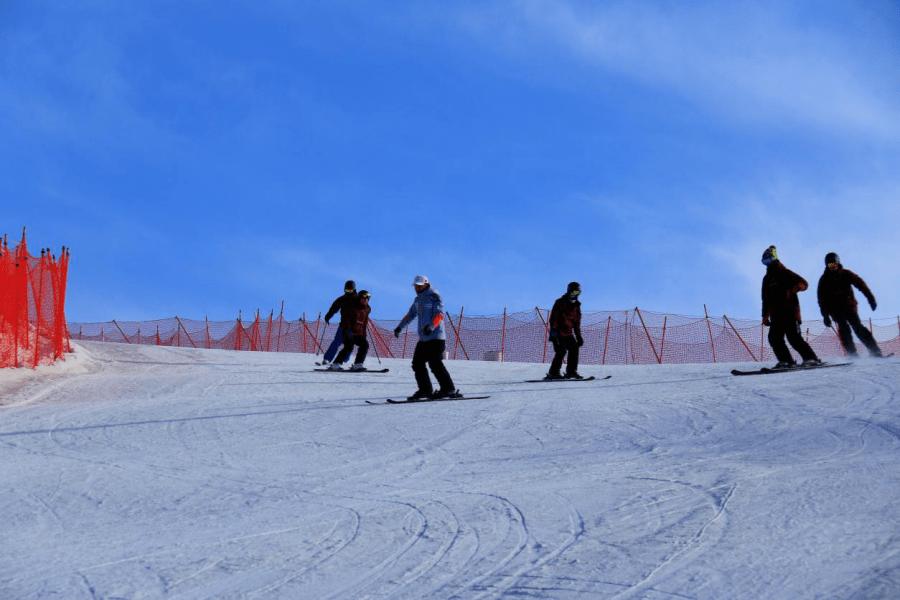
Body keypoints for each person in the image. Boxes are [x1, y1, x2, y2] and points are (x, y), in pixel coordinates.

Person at [393, 275, 459, 400]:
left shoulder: (434, 296)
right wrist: (399, 327)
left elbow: (440, 314)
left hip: (436, 337)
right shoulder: (417, 300)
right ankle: (425, 390)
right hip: (424, 339)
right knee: (417, 364)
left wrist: (431, 326)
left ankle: (448, 389)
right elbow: (410, 315)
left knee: (435, 363)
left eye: (419, 285)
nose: (417, 288)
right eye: (416, 286)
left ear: (426, 284)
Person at [760, 245, 821, 369]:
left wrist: (792, 290)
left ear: (774, 259)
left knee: (793, 337)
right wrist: (765, 316)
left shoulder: (785, 272)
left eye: (769, 260)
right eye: (764, 262)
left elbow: (804, 284)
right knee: (774, 338)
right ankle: (786, 361)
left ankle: (811, 359)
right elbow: (765, 299)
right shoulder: (766, 279)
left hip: (790, 312)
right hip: (776, 315)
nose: (767, 264)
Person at [816, 252, 883, 358]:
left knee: (858, 327)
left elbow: (861, 284)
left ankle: (875, 351)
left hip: (849, 306)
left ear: (838, 263)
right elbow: (821, 300)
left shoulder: (846, 274)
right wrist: (825, 316)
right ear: (827, 266)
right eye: (830, 265)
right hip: (835, 310)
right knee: (844, 329)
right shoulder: (824, 280)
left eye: (834, 264)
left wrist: (870, 298)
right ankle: (852, 354)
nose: (832, 267)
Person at [546, 281, 584, 379]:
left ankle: (571, 371)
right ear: (569, 292)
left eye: (577, 293)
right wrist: (554, 337)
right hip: (558, 332)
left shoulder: (576, 306)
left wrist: (578, 336)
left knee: (574, 348)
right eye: (574, 292)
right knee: (561, 350)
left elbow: (576, 323)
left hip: (568, 333)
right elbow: (553, 319)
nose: (575, 295)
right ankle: (553, 373)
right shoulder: (560, 302)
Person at [333, 290, 372, 370]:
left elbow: (364, 323)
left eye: (367, 298)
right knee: (349, 347)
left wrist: (364, 335)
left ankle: (358, 364)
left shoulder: (367, 309)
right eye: (363, 298)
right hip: (348, 331)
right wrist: (348, 330)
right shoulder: (353, 307)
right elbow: (346, 319)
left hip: (358, 333)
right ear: (359, 298)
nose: (365, 300)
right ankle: (336, 364)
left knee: (365, 344)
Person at [320, 280, 357, 367]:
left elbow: (364, 308)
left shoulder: (357, 299)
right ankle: (327, 359)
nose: (348, 292)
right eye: (347, 291)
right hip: (343, 326)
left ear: (354, 289)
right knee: (336, 342)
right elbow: (334, 308)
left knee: (350, 344)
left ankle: (344, 360)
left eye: (350, 291)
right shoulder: (342, 299)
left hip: (353, 326)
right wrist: (328, 316)